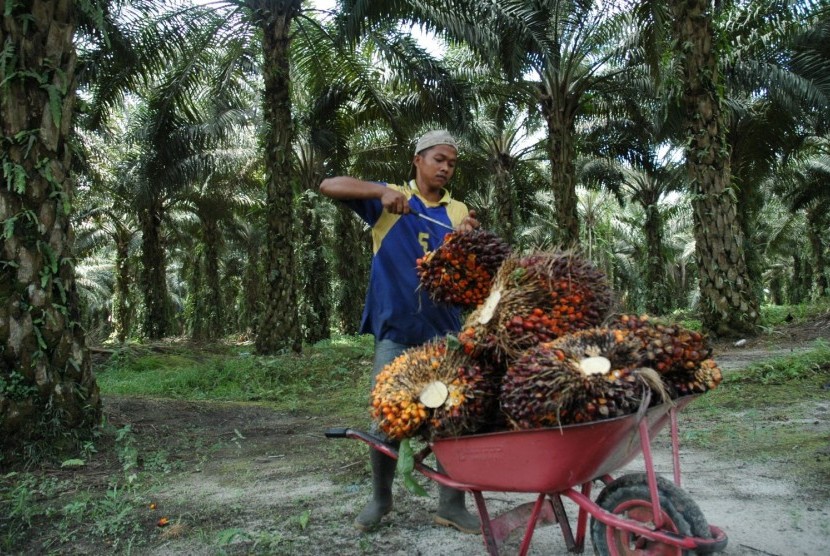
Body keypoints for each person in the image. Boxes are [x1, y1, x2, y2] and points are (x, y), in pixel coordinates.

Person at [320, 130, 480, 533]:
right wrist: (379, 192)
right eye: (439, 159)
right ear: (418, 160)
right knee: (386, 418)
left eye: (452, 163)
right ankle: (380, 499)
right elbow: (328, 185)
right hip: (395, 330)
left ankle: (452, 504)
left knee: (451, 418)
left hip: (444, 333)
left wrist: (470, 241)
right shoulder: (390, 199)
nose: (445, 167)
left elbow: (469, 271)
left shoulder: (457, 211)